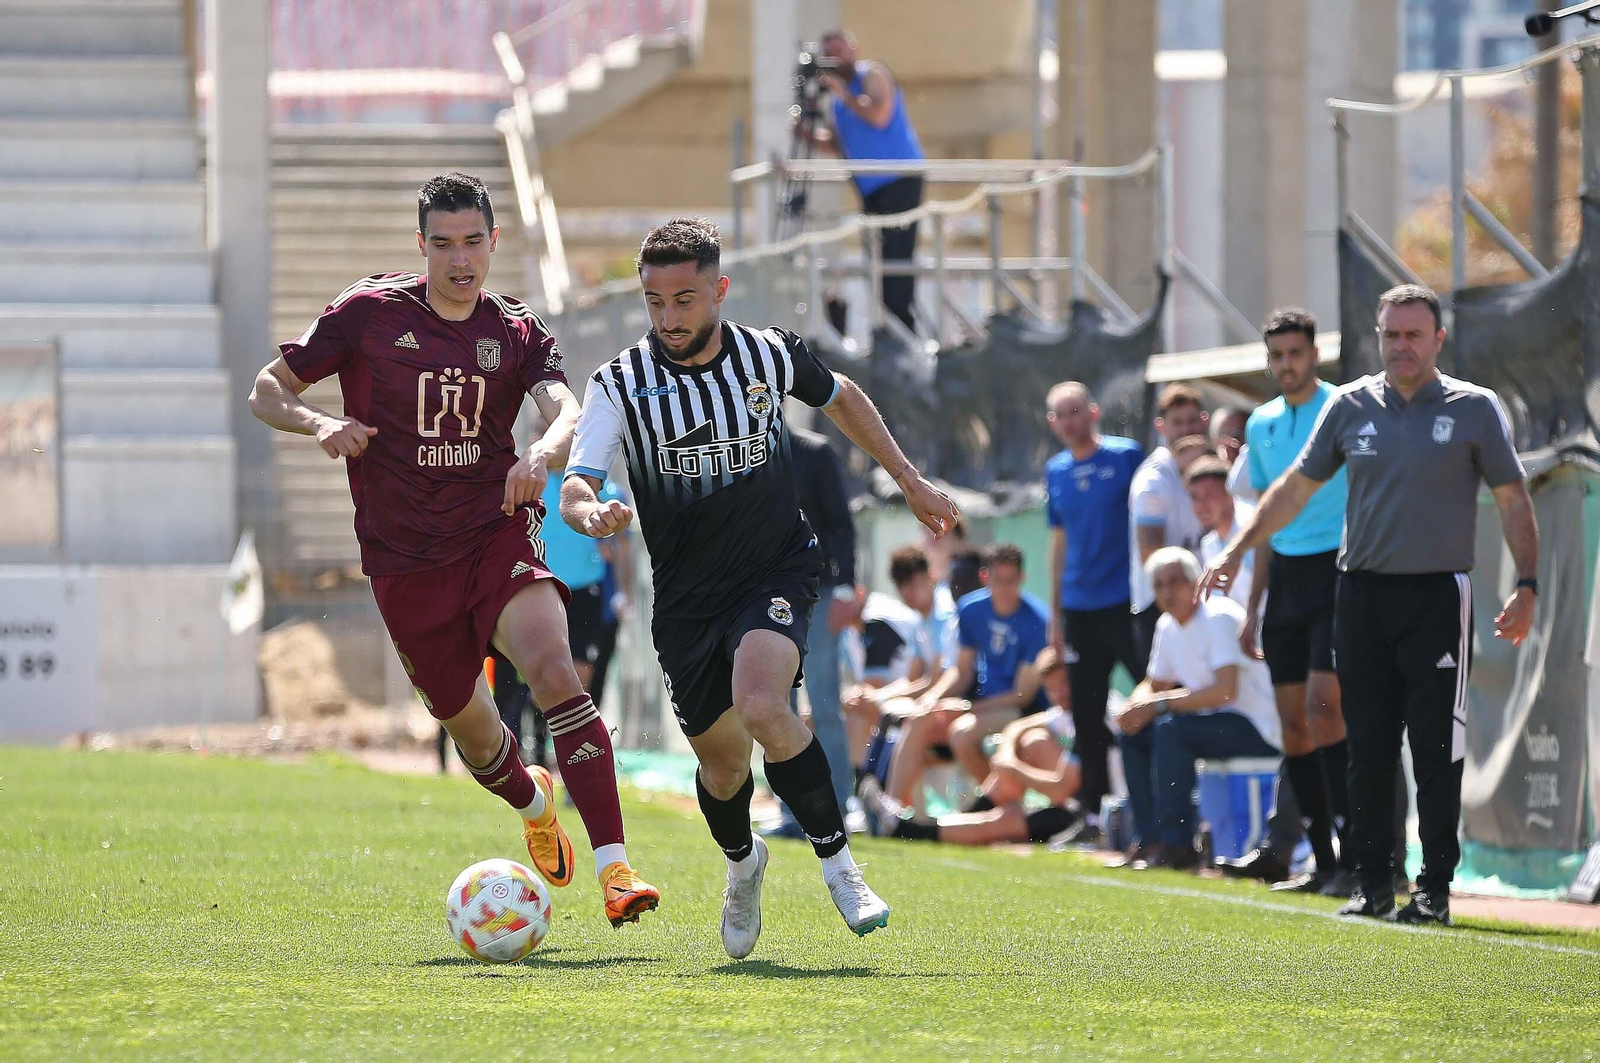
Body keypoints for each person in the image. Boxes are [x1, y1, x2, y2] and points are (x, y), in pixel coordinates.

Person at [247, 172, 658, 928]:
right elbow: (267, 389)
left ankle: (616, 869)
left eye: (473, 242)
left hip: (492, 528)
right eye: (443, 245)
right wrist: (320, 425)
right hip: (403, 561)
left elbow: (565, 404)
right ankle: (535, 802)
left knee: (554, 668)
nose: (460, 260)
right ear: (421, 247)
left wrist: (541, 451)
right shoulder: (367, 313)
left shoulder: (514, 328)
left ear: (494, 241)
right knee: (474, 734)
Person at [559, 217, 959, 958]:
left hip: (777, 566)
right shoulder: (618, 383)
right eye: (655, 302)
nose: (670, 317)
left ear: (719, 289)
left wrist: (907, 478)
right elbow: (577, 482)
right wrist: (594, 513)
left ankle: (842, 867)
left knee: (764, 702)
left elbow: (842, 395)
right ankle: (744, 864)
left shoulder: (766, 352)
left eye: (685, 299)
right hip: (685, 600)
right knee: (722, 765)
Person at [1201, 284, 1538, 925]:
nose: (1401, 346)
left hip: (1438, 594)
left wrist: (1527, 585)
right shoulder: (1351, 406)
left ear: (1439, 339)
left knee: (1437, 748)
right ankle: (1370, 882)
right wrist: (1237, 549)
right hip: (1358, 592)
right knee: (1367, 746)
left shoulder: (1474, 408)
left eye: (1413, 335)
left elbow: (1514, 499)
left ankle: (1433, 887)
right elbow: (1293, 488)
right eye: (1390, 335)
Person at [1216, 308, 1354, 895]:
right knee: (1294, 724)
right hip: (1287, 584)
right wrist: (1254, 606)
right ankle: (1321, 860)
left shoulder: (1344, 407)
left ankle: (1361, 855)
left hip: (1340, 570)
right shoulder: (1261, 424)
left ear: (1314, 354)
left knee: (1328, 710)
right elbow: (1268, 519)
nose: (1286, 365)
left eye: (1295, 353)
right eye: (1276, 356)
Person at [1111, 548, 1282, 870]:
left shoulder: (1217, 616)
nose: (1167, 591)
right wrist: (1133, 708)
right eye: (1159, 584)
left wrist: (1158, 704)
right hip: (1214, 723)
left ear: (1195, 582)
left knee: (1170, 731)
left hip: (1258, 726)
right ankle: (1148, 839)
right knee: (1134, 734)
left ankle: (1178, 845)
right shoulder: (1167, 625)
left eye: (1175, 581)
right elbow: (1154, 683)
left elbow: (1225, 691)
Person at [1042, 380, 1146, 838]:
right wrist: (1056, 617)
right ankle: (1094, 815)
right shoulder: (1056, 471)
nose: (1070, 420)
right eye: (1061, 414)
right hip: (1080, 609)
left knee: (1151, 697)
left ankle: (1166, 810)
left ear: (1094, 412)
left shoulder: (1127, 456)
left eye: (1076, 410)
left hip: (1127, 603)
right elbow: (1059, 542)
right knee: (1086, 714)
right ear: (1052, 423)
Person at [885, 544, 1050, 813]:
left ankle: (1003, 807)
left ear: (1023, 578)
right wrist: (932, 700)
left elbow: (1023, 695)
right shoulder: (971, 610)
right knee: (919, 718)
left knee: (961, 735)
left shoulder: (1038, 620)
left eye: (1012, 581)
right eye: (998, 579)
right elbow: (961, 673)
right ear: (985, 577)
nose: (1005, 589)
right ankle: (894, 810)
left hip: (1021, 710)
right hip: (982, 703)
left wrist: (964, 707)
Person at [861, 648, 1081, 846]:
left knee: (1004, 818)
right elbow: (1019, 727)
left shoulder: (1096, 717)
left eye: (1065, 685)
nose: (1059, 695)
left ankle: (905, 829)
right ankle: (915, 819)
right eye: (1052, 689)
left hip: (1084, 818)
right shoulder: (1067, 714)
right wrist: (1007, 756)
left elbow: (1061, 791)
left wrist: (1012, 768)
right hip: (1069, 807)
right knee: (1029, 742)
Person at [809, 29, 926, 332]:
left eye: (839, 51)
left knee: (897, 263)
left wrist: (842, 93)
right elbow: (840, 144)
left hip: (900, 180)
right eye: (828, 54)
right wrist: (804, 132)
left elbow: (879, 115)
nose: (835, 59)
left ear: (853, 49)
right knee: (878, 266)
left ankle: (904, 328)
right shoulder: (839, 102)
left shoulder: (872, 74)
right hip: (871, 191)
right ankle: (889, 325)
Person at [1129, 384, 1209, 668]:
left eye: (1191, 421)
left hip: (1200, 602)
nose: (1186, 430)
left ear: (1204, 420)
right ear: (1161, 426)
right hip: (1163, 606)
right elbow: (1151, 556)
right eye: (1177, 423)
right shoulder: (1153, 481)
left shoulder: (1213, 467)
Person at [1186, 455, 1253, 607]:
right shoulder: (1209, 544)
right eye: (1195, 497)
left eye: (1209, 495)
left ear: (1230, 494)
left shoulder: (1251, 529)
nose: (1201, 505)